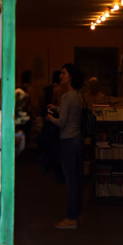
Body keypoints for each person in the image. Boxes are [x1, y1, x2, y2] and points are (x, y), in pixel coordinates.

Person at [45, 63, 85, 229]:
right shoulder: (77, 95)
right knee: (77, 180)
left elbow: (62, 122)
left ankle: (70, 219)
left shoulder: (66, 96)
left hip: (68, 141)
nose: (60, 76)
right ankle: (76, 214)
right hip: (78, 139)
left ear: (70, 77)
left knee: (70, 181)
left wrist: (50, 118)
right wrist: (57, 108)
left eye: (63, 73)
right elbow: (70, 114)